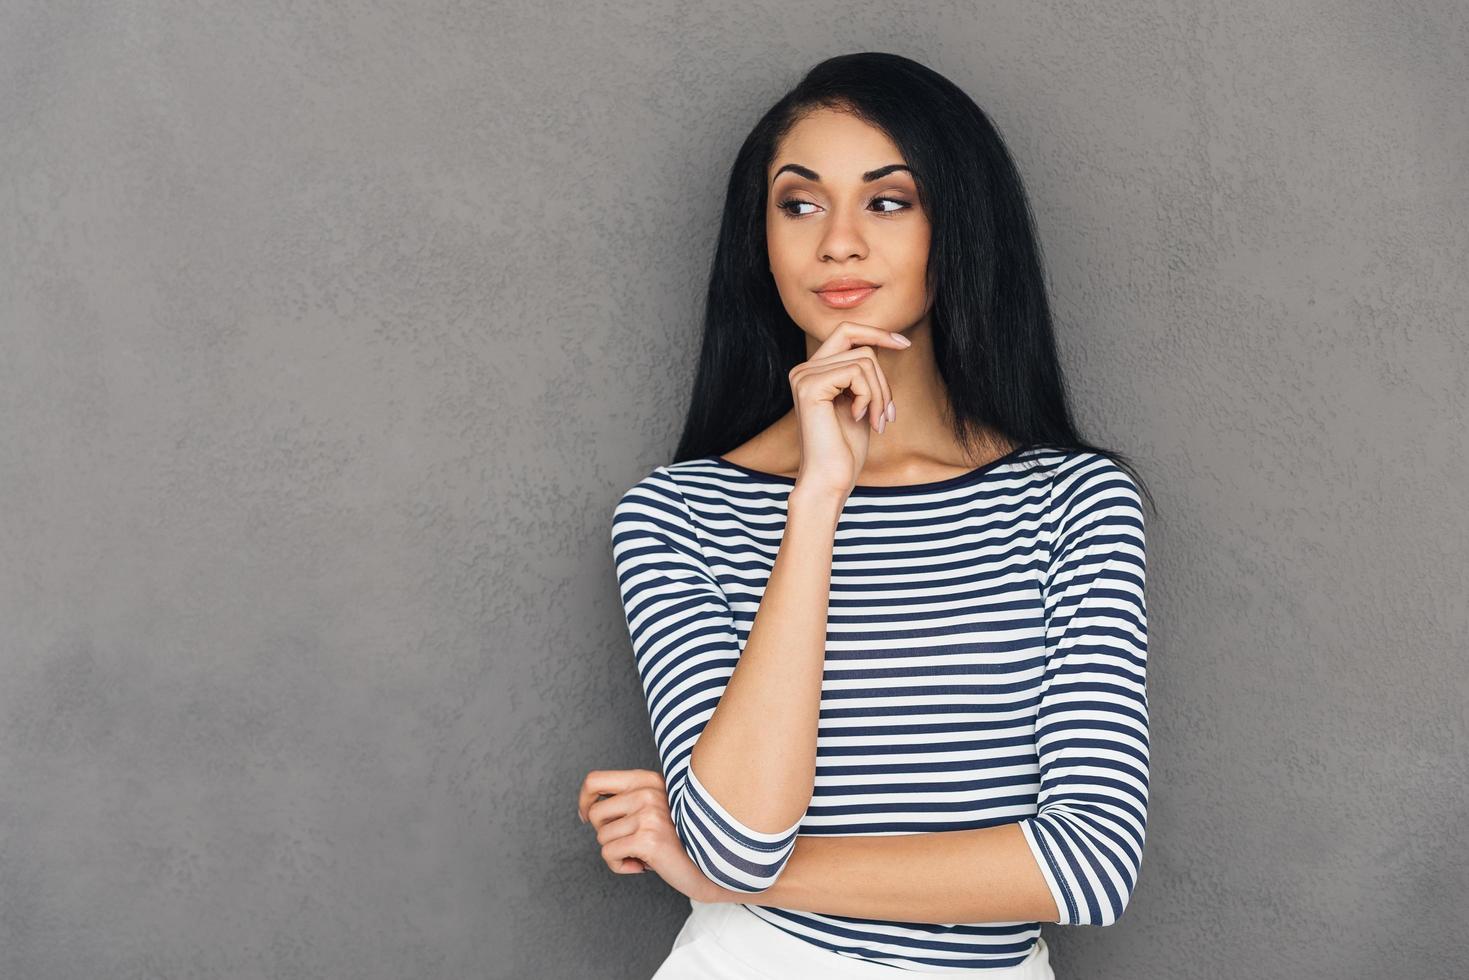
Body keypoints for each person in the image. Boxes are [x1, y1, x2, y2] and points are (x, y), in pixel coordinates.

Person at [576, 51, 1155, 978]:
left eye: (888, 200)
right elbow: (737, 840)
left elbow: (1088, 866)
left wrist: (724, 874)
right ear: (757, 239)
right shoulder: (677, 516)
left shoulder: (1070, 502)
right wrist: (816, 499)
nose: (836, 242)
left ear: (955, 226)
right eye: (798, 203)